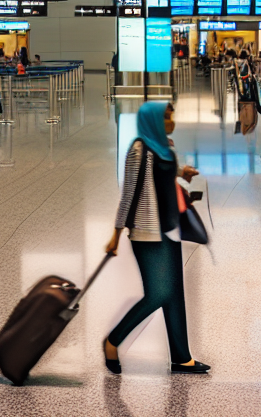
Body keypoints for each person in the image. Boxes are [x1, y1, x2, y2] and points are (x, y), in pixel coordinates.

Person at [103, 101, 209, 375]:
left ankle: (181, 357)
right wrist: (115, 235)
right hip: (145, 231)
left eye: (171, 115)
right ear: (151, 121)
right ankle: (113, 340)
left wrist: (180, 172)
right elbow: (128, 194)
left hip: (170, 228)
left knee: (174, 294)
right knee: (159, 293)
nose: (170, 121)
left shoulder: (165, 145)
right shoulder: (139, 148)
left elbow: (162, 174)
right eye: (165, 117)